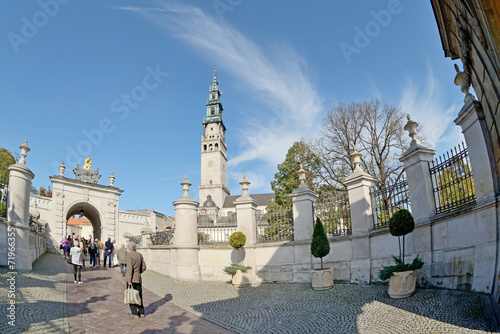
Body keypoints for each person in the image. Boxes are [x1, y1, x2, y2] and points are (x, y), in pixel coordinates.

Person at [124, 241, 147, 318]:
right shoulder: (139, 255)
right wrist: (139, 272)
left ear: (129, 248)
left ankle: (134, 313)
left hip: (132, 278)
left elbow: (129, 268)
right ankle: (141, 312)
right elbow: (144, 267)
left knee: (132, 296)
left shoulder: (129, 255)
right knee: (139, 295)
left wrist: (129, 280)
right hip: (138, 278)